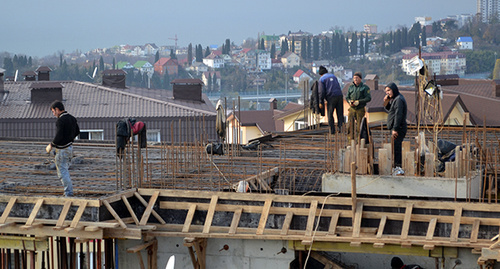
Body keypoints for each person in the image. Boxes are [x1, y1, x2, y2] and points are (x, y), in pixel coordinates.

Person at [46, 100, 80, 197]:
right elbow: (77, 131)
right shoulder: (72, 118)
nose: (53, 114)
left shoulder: (61, 120)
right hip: (69, 148)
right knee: (65, 169)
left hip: (62, 149)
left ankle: (68, 193)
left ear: (57, 109)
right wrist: (70, 138)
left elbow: (59, 135)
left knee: (62, 171)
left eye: (53, 111)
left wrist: (52, 144)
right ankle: (68, 192)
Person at [384, 82, 407, 176]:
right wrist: (386, 102)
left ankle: (398, 168)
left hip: (399, 128)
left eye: (389, 90)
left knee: (397, 148)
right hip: (396, 127)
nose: (388, 93)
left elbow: (398, 115)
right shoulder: (395, 99)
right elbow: (391, 110)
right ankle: (396, 168)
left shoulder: (398, 100)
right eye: (386, 91)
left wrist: (395, 129)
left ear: (394, 89)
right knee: (395, 147)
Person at [346, 72, 371, 141]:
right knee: (350, 126)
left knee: (360, 126)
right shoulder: (351, 87)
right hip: (352, 108)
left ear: (360, 79)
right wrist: (349, 101)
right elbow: (347, 97)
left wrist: (359, 102)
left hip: (360, 109)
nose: (355, 79)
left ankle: (359, 141)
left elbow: (368, 98)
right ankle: (350, 140)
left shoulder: (365, 88)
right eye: (354, 78)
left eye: (357, 78)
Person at [318, 66, 343, 134]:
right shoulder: (333, 76)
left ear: (320, 74)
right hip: (340, 96)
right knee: (340, 114)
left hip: (331, 97)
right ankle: (341, 129)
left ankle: (332, 131)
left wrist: (321, 101)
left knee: (330, 114)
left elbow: (321, 91)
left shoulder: (322, 79)